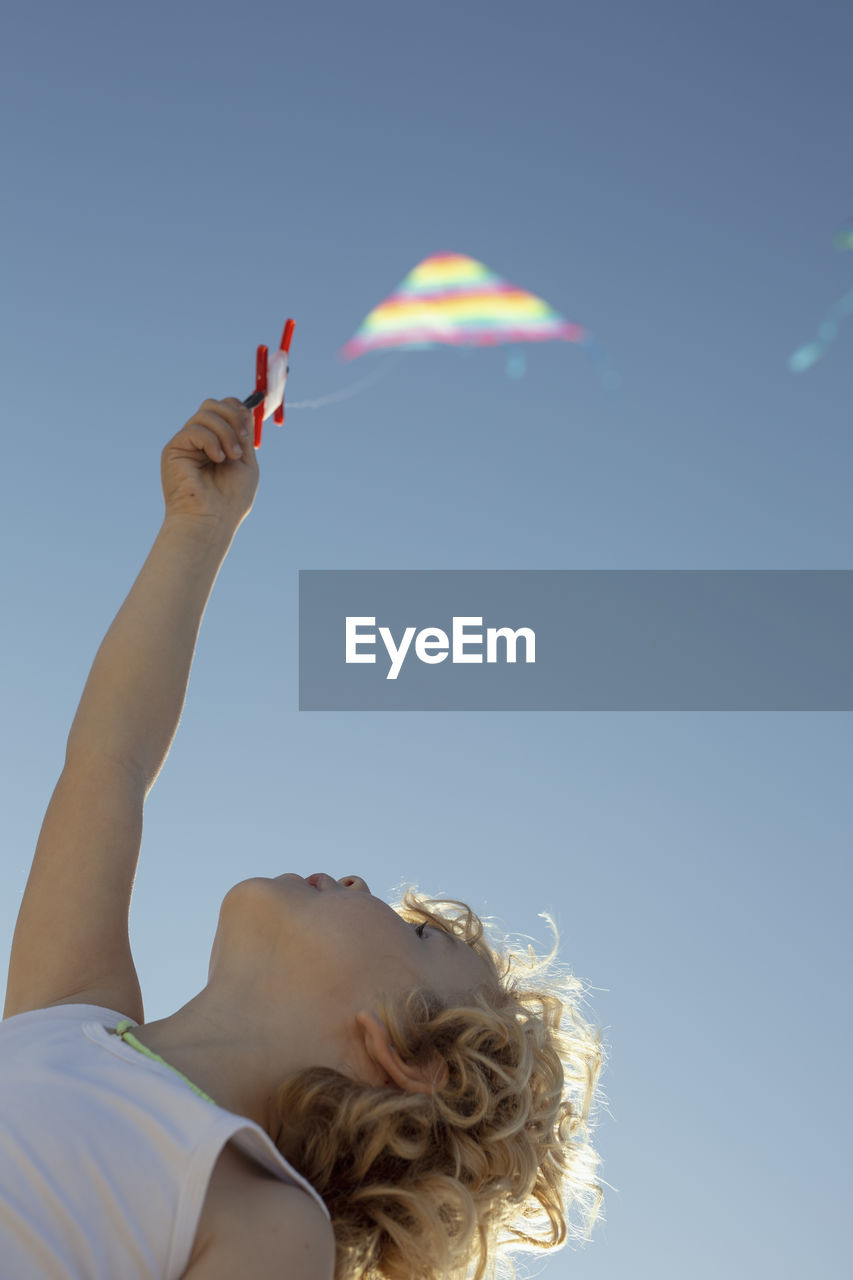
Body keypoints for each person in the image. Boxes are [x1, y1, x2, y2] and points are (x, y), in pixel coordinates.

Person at [0, 399, 605, 1279]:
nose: (362, 879)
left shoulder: (264, 1220)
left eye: (415, 932)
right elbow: (109, 759)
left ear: (408, 1056)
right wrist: (198, 531)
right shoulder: (71, 1015)